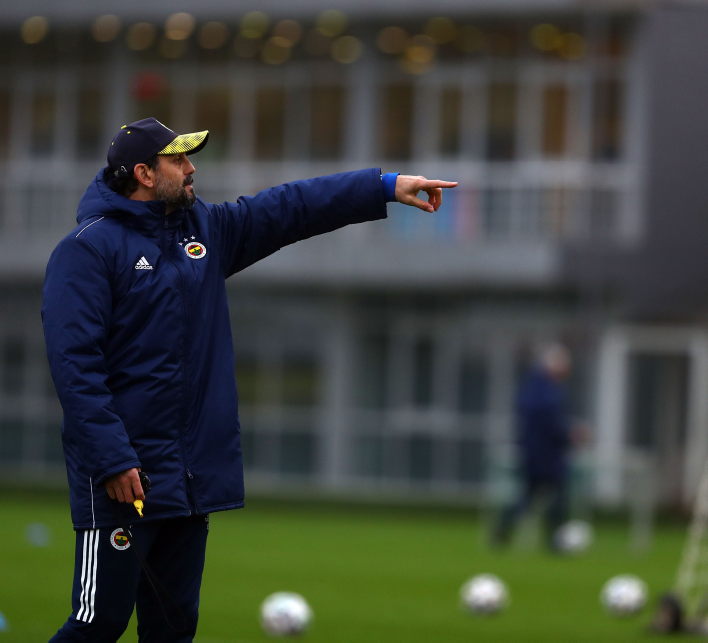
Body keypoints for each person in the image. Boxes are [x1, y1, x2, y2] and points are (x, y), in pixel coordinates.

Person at [42, 117, 457, 642]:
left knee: (174, 629)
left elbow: (291, 207)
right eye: (178, 160)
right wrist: (113, 458)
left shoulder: (204, 232)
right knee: (98, 623)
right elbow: (75, 364)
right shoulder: (87, 249)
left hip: (188, 479)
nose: (191, 169)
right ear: (144, 174)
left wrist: (384, 187)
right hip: (125, 479)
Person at [493, 344, 580, 552]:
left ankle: (502, 531)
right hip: (544, 454)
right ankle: (555, 541)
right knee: (555, 498)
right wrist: (569, 435)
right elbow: (550, 425)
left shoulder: (534, 387)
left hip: (534, 451)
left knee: (529, 496)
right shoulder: (547, 392)